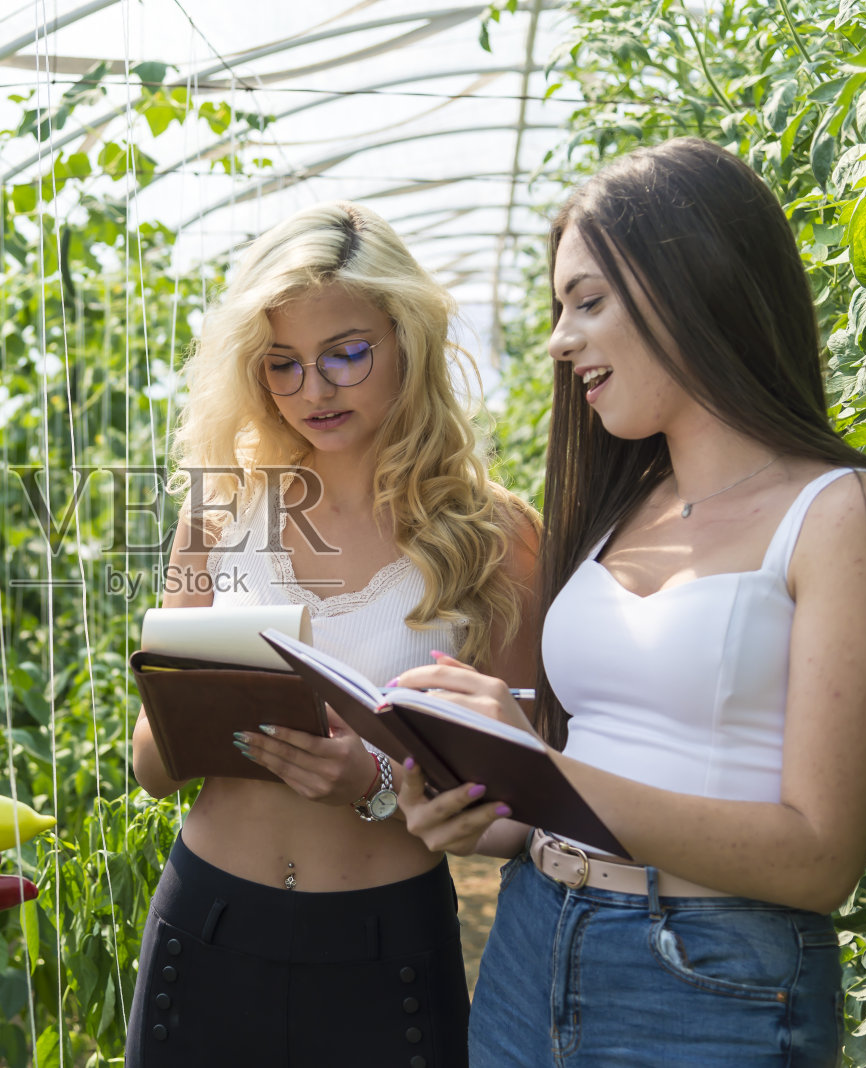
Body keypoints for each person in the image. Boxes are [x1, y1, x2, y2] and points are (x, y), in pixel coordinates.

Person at [393, 137, 866, 1067]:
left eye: (587, 302)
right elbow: (595, 772)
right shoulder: (614, 512)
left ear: (694, 284)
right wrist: (490, 809)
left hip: (708, 982)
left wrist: (542, 774)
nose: (560, 340)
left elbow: (820, 857)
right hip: (532, 944)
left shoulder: (841, 515)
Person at [126, 201, 539, 1068]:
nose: (315, 390)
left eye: (347, 354)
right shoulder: (221, 511)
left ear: (408, 340)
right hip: (208, 925)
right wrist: (202, 706)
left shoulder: (495, 538)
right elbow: (150, 768)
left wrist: (375, 780)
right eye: (283, 365)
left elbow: (517, 805)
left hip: (384, 947)